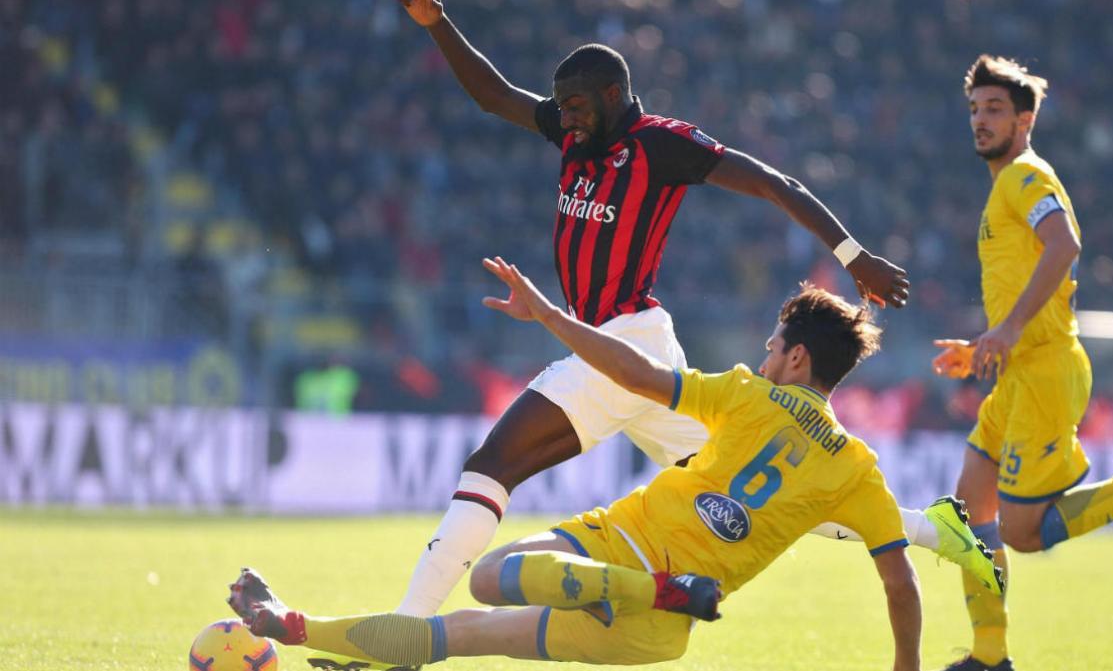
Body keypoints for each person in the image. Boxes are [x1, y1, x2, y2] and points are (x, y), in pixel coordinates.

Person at [390, 0, 919, 620]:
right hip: (644, 345)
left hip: (620, 341)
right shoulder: (574, 130)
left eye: (579, 104)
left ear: (614, 95)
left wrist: (853, 255)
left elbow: (776, 183)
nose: (568, 117)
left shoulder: (660, 145)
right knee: (738, 485)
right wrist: (436, 24)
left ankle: (407, 629)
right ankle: (929, 528)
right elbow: (493, 96)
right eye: (562, 106)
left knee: (492, 461)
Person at [229, 257, 923, 670]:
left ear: (796, 358)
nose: (766, 353)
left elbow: (635, 370)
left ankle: (292, 624)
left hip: (629, 587)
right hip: (628, 572)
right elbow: (900, 584)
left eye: (774, 346)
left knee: (476, 603)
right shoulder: (856, 468)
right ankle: (287, 623)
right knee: (482, 593)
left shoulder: (746, 393)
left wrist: (552, 317)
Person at [930, 55, 1113, 671]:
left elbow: (1065, 245)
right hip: (1018, 372)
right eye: (974, 110)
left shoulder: (1024, 177)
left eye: (994, 110)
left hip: (1044, 372)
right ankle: (989, 656)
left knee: (1021, 532)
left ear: (1025, 118)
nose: (981, 121)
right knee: (969, 511)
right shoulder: (1004, 187)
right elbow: (1027, 277)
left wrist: (1009, 330)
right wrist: (987, 341)